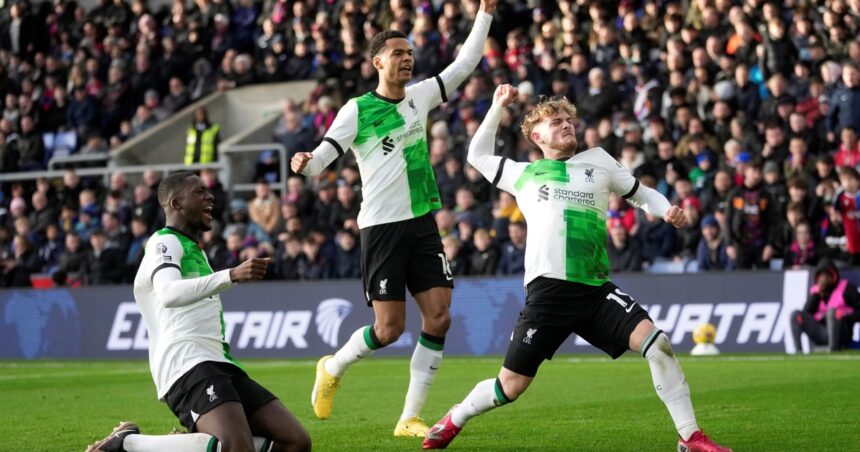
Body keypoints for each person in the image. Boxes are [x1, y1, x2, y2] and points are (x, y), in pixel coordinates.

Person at [423, 85, 731, 452]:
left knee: (657, 343)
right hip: (548, 295)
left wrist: (666, 210)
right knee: (510, 387)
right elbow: (477, 154)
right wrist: (496, 106)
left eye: (570, 120)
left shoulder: (599, 161)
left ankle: (689, 436)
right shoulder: (523, 174)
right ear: (537, 136)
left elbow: (642, 193)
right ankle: (456, 417)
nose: (567, 125)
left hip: (595, 289)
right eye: (557, 122)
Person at [290, 0, 497, 437]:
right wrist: (304, 163)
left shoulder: (420, 96)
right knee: (388, 329)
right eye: (398, 53)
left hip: (422, 221)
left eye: (409, 53)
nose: (407, 59)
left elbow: (465, 64)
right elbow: (322, 160)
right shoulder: (357, 110)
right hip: (381, 229)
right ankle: (332, 365)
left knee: (439, 317)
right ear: (378, 61)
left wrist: (485, 14)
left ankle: (409, 417)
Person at [86, 171, 309, 452]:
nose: (210, 196)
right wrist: (231, 275)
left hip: (219, 361)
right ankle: (129, 444)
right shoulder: (163, 242)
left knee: (295, 442)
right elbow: (168, 293)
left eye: (209, 191)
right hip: (186, 362)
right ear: (175, 203)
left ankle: (187, 444)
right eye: (200, 192)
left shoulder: (198, 251)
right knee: (236, 446)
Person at [790, 259, 860, 353]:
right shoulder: (815, 291)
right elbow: (806, 312)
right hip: (821, 332)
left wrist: (845, 318)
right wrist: (817, 294)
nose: (824, 279)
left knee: (832, 312)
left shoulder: (846, 288)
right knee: (795, 315)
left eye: (827, 275)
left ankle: (833, 349)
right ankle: (798, 352)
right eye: (821, 276)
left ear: (833, 276)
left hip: (841, 332)